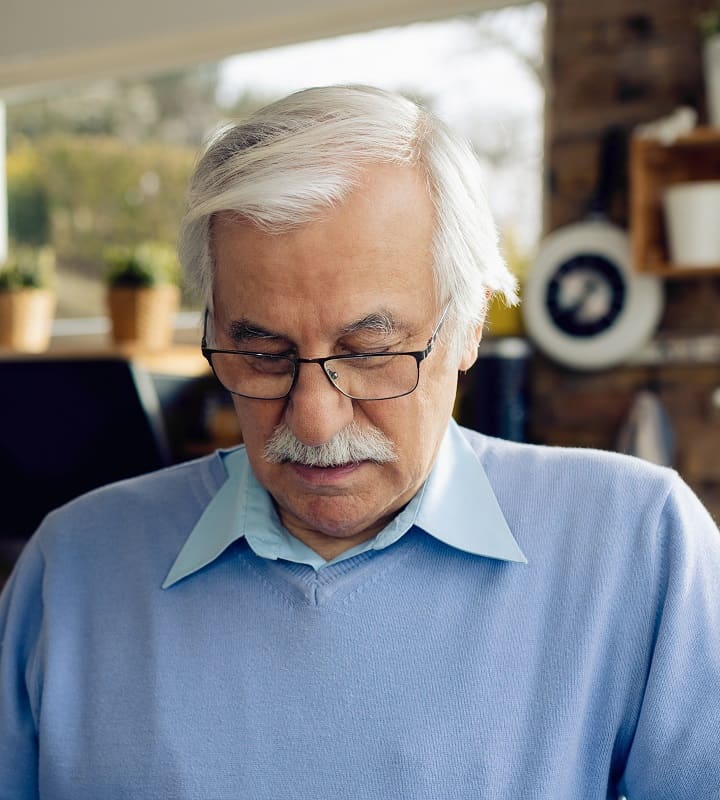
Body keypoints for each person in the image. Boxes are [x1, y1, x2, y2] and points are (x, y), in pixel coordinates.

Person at [1, 85, 718, 800]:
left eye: (372, 353)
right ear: (215, 333)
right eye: (264, 356)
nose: (313, 421)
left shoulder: (638, 544)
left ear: (467, 327)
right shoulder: (70, 570)